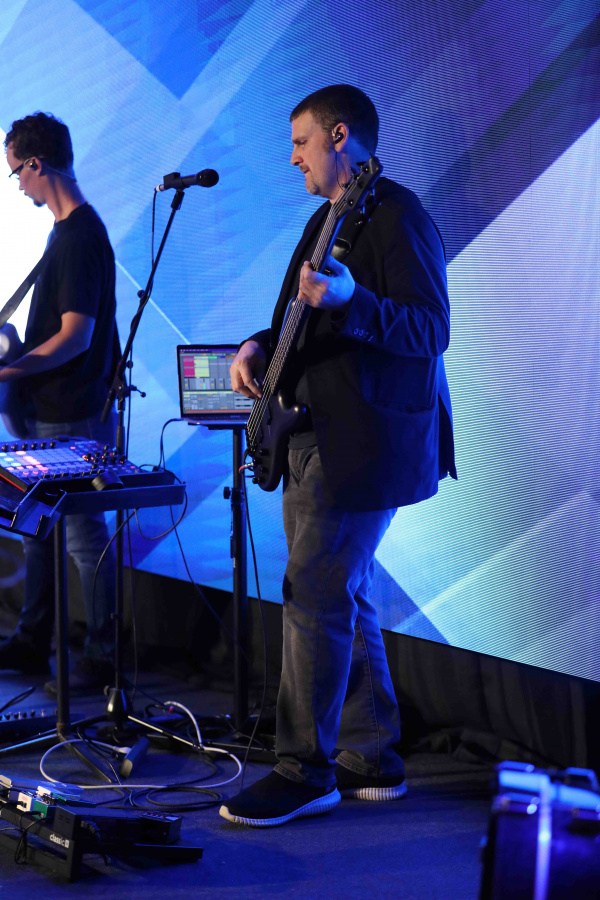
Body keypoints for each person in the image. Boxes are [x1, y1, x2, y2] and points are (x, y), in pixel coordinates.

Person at [220, 85, 456, 827]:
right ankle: (372, 755)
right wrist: (258, 344)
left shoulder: (397, 215)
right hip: (311, 436)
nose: (292, 157)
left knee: (314, 595)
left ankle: (304, 769)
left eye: (300, 142)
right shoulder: (325, 219)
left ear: (339, 136)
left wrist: (354, 301)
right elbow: (299, 318)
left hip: (362, 446)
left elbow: (432, 330)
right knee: (339, 594)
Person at [0, 112, 119, 693]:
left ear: (36, 163)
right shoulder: (67, 233)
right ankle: (32, 640)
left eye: (15, 172)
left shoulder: (77, 239)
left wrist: (8, 368)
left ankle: (102, 655)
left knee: (82, 535)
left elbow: (75, 337)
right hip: (53, 408)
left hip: (72, 412)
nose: (16, 185)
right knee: (37, 528)